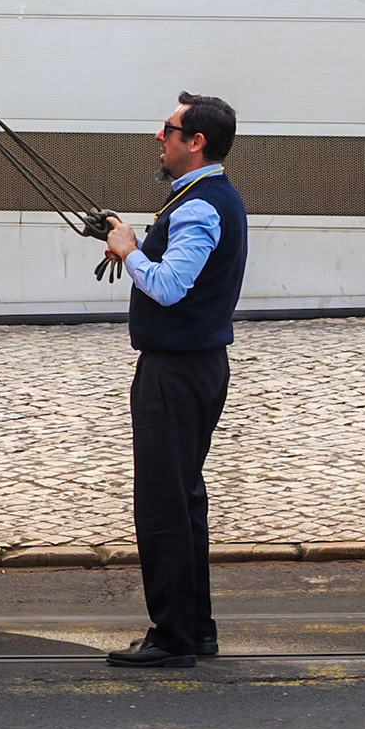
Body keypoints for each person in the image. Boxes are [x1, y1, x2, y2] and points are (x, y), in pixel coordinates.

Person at [100, 92, 247, 668]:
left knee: (162, 503)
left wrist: (130, 250)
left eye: (168, 130)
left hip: (176, 372)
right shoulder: (197, 198)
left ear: (196, 142)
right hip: (197, 366)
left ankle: (173, 637)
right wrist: (130, 242)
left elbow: (167, 285)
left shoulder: (199, 206)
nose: (158, 138)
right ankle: (196, 628)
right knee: (184, 500)